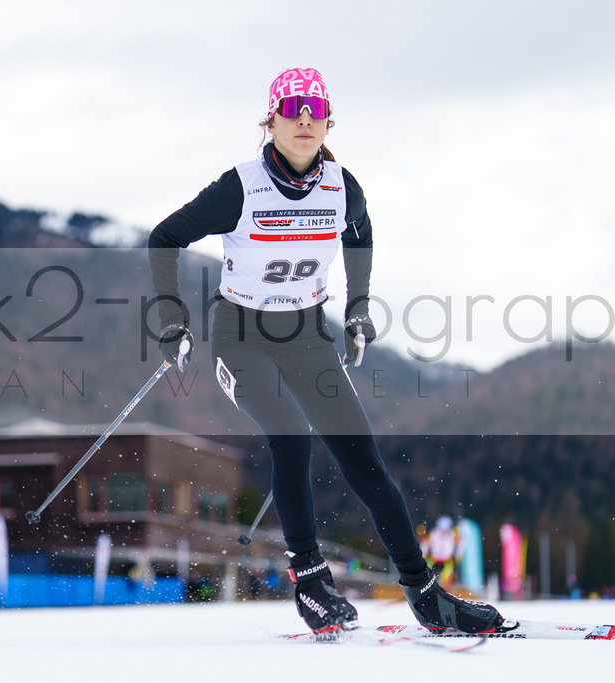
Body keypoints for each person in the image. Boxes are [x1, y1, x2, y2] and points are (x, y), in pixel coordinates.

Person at [148, 67, 507, 636]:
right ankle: (312, 584)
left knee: (364, 460)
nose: (305, 119)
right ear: (270, 121)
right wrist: (173, 322)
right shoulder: (240, 188)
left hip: (308, 337)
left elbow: (360, 233)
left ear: (328, 122)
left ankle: (425, 595)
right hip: (241, 337)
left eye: (315, 109)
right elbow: (164, 237)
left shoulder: (343, 187)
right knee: (291, 436)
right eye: (292, 109)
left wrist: (358, 308)